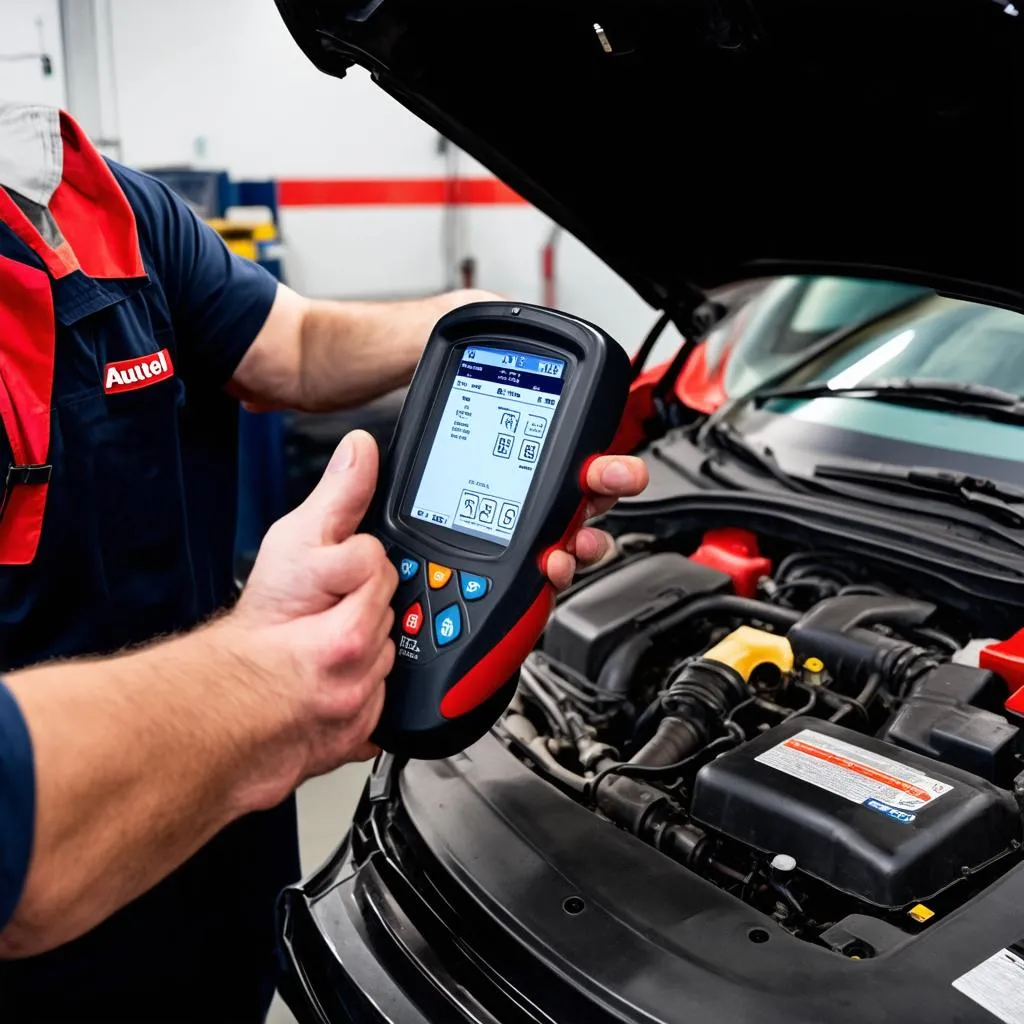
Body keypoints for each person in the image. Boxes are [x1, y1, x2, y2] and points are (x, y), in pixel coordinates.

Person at [0, 101, 648, 1020]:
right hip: (49, 924)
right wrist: (267, 688)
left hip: (221, 844)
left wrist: (475, 331)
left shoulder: (105, 203)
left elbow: (291, 346)